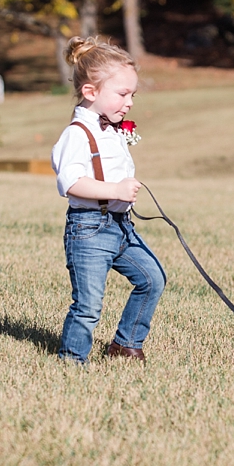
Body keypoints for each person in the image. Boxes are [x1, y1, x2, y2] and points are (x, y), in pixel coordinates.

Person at [50, 36, 165, 364]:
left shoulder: (112, 128)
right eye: (122, 94)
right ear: (90, 92)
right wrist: (115, 190)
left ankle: (126, 343)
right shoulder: (77, 134)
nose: (129, 102)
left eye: (132, 94)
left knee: (152, 278)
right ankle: (72, 360)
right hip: (89, 229)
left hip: (120, 227)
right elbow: (70, 182)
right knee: (88, 306)